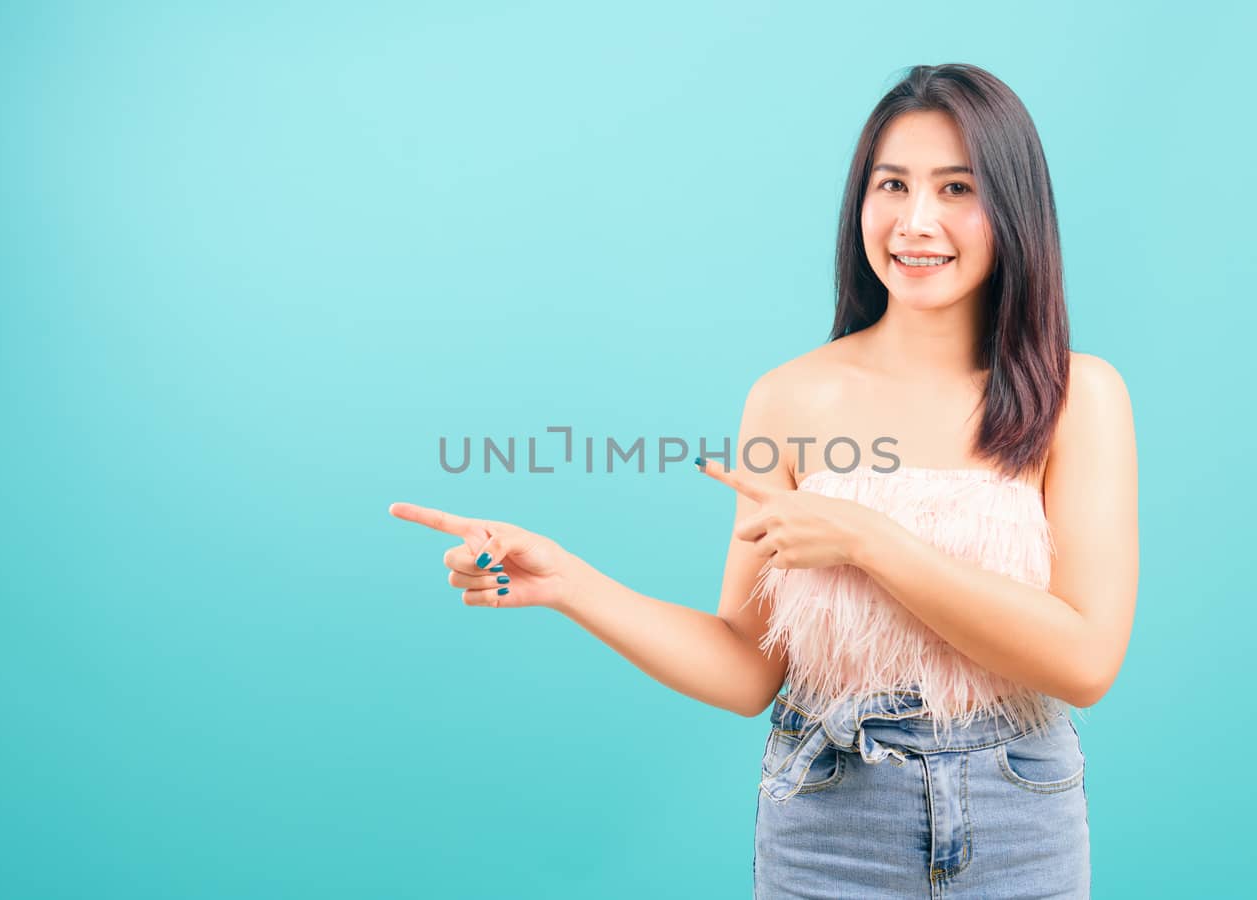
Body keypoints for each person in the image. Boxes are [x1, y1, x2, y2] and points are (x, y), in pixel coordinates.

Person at [391, 62, 1138, 899]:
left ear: (1014, 208)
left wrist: (869, 539)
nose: (916, 221)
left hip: (1019, 819)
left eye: (957, 188)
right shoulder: (787, 398)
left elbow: (1085, 661)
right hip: (829, 822)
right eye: (891, 185)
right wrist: (567, 581)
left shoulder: (1080, 397)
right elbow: (747, 665)